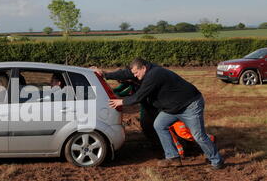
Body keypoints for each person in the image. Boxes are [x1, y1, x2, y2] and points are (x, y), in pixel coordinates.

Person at [94, 58, 224, 170]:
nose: (134, 76)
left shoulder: (154, 76)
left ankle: (216, 161)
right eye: (133, 73)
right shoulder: (143, 70)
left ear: (143, 68)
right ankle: (173, 158)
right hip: (172, 108)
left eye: (136, 73)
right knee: (159, 125)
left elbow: (139, 97)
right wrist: (105, 74)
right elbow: (126, 72)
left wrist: (120, 102)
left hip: (190, 105)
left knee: (198, 135)